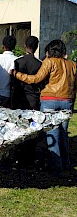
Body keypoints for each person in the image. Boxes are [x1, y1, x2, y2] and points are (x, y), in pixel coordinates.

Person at [12, 39, 77, 175]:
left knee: (52, 134)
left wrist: (17, 74)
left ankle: (56, 167)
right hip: (67, 100)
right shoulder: (72, 65)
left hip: (50, 100)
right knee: (63, 134)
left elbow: (35, 79)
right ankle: (65, 163)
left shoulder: (49, 62)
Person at [11, 36, 43, 168]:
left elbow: (13, 81)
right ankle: (30, 157)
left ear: (25, 46)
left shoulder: (18, 62)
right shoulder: (39, 64)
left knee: (19, 127)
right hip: (33, 98)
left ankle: (18, 157)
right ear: (36, 47)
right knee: (32, 128)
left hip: (19, 98)